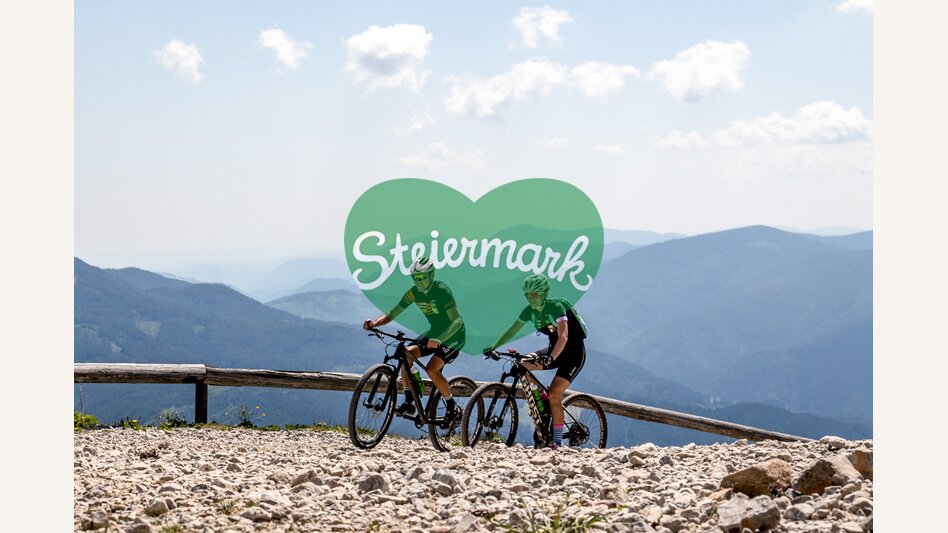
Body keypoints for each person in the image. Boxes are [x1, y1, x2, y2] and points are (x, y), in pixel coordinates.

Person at [485, 273, 587, 448]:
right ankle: (540, 394)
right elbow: (512, 331)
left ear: (544, 293)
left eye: (534, 294)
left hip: (573, 354)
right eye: (527, 295)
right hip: (553, 350)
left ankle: (557, 442)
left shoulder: (556, 306)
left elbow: (563, 336)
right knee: (521, 364)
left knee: (555, 395)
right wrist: (493, 346)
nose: (530, 298)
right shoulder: (529, 311)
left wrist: (551, 358)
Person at [363, 256, 466, 421]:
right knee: (406, 354)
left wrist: (440, 339)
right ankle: (410, 400)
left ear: (431, 275)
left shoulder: (442, 290)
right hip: (434, 332)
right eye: (415, 278)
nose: (419, 281)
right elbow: (393, 312)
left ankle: (452, 406)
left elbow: (457, 321)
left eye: (422, 277)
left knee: (432, 369)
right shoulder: (413, 293)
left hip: (454, 335)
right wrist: (375, 323)